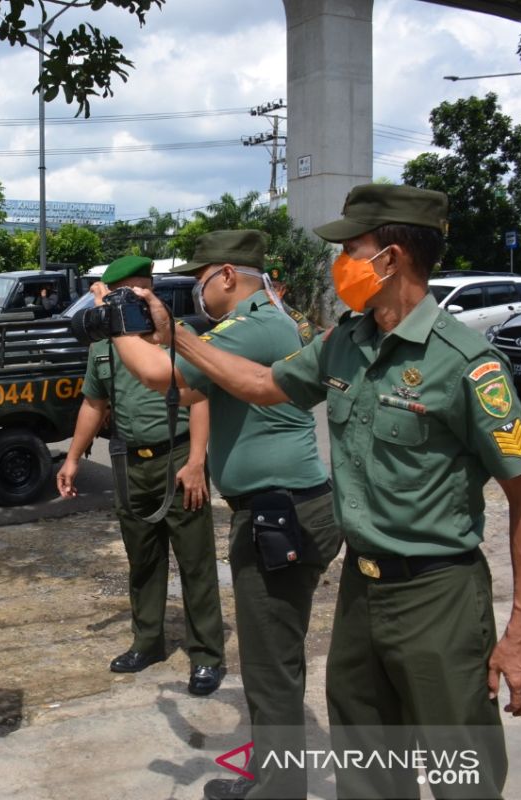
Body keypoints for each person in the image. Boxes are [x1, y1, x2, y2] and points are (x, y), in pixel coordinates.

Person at [118, 186, 521, 799]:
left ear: (392, 257)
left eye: (351, 249)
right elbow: (265, 384)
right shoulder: (348, 341)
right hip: (361, 589)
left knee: (463, 778)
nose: (338, 264)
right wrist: (179, 339)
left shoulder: (466, 363)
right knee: (368, 771)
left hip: (440, 596)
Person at [109, 232, 341, 799]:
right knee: (269, 658)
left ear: (230, 275)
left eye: (201, 278)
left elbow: (159, 374)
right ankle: (273, 774)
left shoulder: (253, 326)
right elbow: (191, 390)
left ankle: (279, 789)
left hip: (277, 511)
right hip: (276, 508)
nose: (197, 289)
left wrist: (116, 320)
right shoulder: (263, 323)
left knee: (270, 666)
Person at [56, 255, 226, 696]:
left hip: (178, 459)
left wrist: (196, 463)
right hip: (130, 463)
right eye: (121, 296)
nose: (131, 303)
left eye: (139, 293)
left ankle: (206, 655)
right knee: (143, 562)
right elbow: (94, 404)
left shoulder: (174, 339)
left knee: (195, 563)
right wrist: (73, 458)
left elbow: (202, 398)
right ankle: (148, 642)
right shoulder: (104, 345)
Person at [264, 258, 319, 346]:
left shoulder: (297, 321)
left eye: (274, 287)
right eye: (266, 287)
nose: (269, 291)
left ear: (283, 290)